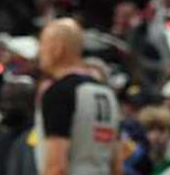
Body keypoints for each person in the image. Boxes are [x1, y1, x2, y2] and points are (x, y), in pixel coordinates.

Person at [33, 18, 120, 175]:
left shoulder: (58, 93)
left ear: (57, 49)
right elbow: (117, 163)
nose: (39, 52)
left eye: (42, 45)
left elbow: (56, 167)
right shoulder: (108, 94)